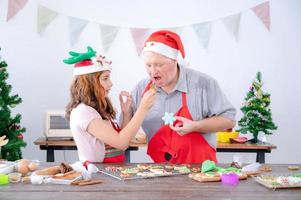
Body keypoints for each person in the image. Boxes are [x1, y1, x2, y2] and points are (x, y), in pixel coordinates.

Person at [123, 30, 236, 164]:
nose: (153, 71)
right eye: (148, 65)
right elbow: (124, 137)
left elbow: (229, 120)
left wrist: (195, 126)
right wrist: (126, 114)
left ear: (174, 61)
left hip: (201, 170)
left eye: (159, 65)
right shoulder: (141, 89)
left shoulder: (203, 84)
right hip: (159, 172)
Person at [64, 47, 156, 164]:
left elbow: (123, 143)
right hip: (98, 175)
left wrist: (126, 113)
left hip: (111, 170)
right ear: (89, 83)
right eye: (105, 78)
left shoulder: (98, 108)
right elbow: (120, 142)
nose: (111, 83)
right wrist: (143, 109)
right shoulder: (84, 112)